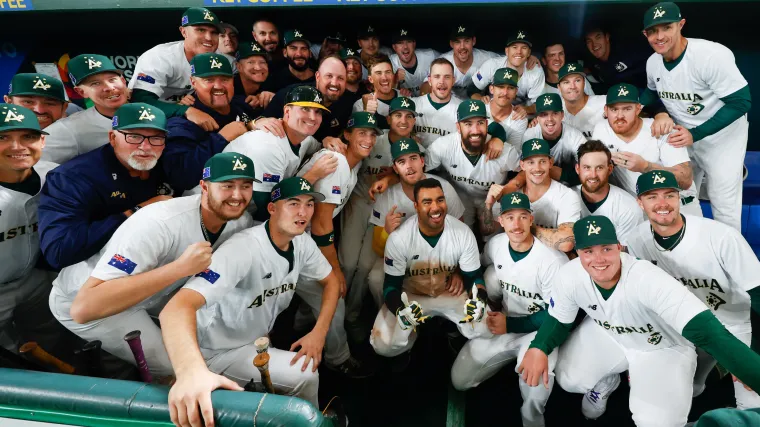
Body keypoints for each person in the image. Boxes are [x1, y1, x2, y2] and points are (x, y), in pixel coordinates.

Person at [518, 215, 760, 426]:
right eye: (588, 251)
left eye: (606, 249)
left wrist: (744, 366)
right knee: (570, 379)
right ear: (578, 252)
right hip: (611, 333)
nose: (598, 259)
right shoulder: (570, 275)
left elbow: (708, 332)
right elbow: (559, 318)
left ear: (619, 247)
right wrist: (539, 346)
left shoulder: (648, 279)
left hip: (661, 347)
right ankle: (609, 379)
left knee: (656, 423)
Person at [48, 152, 255, 376]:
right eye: (227, 185)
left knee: (206, 337)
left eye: (245, 186)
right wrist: (179, 269)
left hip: (152, 294)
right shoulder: (159, 223)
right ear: (204, 187)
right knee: (173, 367)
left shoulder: (239, 221)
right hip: (87, 301)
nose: (237, 195)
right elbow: (83, 308)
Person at [161, 177, 340, 420]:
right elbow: (177, 306)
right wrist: (189, 370)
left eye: (309, 204)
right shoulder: (242, 249)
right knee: (305, 373)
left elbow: (332, 282)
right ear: (272, 208)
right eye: (294, 203)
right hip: (216, 351)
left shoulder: (301, 242)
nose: (303, 212)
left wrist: (319, 333)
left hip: (254, 339)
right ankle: (313, 421)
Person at [626, 170, 760, 409]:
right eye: (652, 197)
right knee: (679, 389)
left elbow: (758, 294)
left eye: (669, 195)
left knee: (752, 401)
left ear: (679, 198)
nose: (662, 203)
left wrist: (751, 358)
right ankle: (700, 382)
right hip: (683, 322)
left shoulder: (720, 237)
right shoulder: (636, 239)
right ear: (640, 202)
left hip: (732, 324)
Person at [451, 192, 567, 427]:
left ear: (531, 219)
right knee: (459, 380)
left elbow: (558, 315)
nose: (516, 224)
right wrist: (456, 273)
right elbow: (475, 267)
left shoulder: (553, 261)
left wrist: (511, 325)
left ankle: (532, 420)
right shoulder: (496, 244)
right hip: (506, 321)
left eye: (523, 216)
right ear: (501, 221)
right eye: (510, 217)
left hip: (539, 332)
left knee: (535, 379)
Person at [642, 1, 751, 231]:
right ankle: (693, 247)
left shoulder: (710, 55)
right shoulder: (653, 62)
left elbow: (741, 102)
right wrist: (635, 108)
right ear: (645, 34)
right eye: (653, 31)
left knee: (724, 204)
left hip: (722, 138)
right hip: (684, 135)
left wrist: (697, 133)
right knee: (683, 198)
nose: (659, 36)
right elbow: (651, 94)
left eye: (667, 27)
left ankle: (730, 254)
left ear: (681, 25)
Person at [293, 112, 381, 377]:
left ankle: (298, 328)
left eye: (373, 134)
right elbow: (321, 224)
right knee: (333, 295)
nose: (368, 139)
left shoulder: (351, 165)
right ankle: (338, 359)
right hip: (293, 237)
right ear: (347, 135)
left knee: (316, 294)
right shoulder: (339, 162)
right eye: (362, 133)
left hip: (300, 236)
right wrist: (335, 269)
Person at [39, 103, 174, 270]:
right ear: (112, 138)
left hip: (156, 262)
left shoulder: (170, 164)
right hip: (91, 273)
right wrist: (135, 212)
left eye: (156, 138)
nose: (145, 147)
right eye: (133, 136)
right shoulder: (72, 178)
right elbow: (58, 251)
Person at [370, 178, 488, 357]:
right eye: (427, 202)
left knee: (486, 327)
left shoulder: (463, 232)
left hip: (449, 292)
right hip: (412, 295)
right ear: (416, 206)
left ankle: (454, 334)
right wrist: (400, 310)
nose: (435, 207)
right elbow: (391, 286)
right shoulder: (399, 238)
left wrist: (480, 299)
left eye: (440, 200)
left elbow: (474, 277)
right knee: (383, 344)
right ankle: (409, 342)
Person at [341, 98, 419, 333]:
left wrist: (391, 178)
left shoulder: (417, 147)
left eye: (408, 116)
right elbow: (350, 149)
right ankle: (334, 309)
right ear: (388, 118)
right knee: (347, 262)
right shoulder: (375, 138)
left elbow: (413, 175)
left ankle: (352, 314)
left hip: (387, 207)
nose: (403, 121)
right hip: (360, 200)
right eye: (398, 115)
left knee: (365, 266)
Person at [365, 138, 466, 316]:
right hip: (402, 257)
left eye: (413, 158)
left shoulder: (442, 188)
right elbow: (378, 249)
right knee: (375, 278)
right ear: (395, 168)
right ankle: (391, 313)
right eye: (402, 162)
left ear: (422, 161)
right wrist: (387, 232)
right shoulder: (387, 196)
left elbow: (461, 232)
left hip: (440, 255)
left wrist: (458, 272)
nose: (409, 166)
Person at [0, 104, 62, 355]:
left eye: (28, 136)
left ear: (42, 141)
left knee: (52, 339)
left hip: (37, 280)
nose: (17, 146)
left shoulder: (55, 176)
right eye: (3, 137)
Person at [223, 85, 335, 220]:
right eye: (305, 109)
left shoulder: (303, 138)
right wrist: (312, 175)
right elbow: (267, 210)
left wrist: (327, 140)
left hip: (245, 214)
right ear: (287, 111)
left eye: (318, 112)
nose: (312, 117)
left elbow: (316, 145)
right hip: (224, 215)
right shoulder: (269, 146)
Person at [592, 83, 701, 216]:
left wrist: (646, 167)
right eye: (614, 109)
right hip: (640, 208)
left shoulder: (662, 129)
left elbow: (685, 180)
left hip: (680, 205)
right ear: (606, 110)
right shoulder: (601, 129)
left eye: (627, 109)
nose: (619, 116)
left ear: (638, 109)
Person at [161, 53, 254, 195]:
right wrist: (221, 139)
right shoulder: (183, 122)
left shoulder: (242, 104)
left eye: (225, 79)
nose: (218, 86)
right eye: (209, 80)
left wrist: (254, 123)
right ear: (193, 82)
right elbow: (180, 176)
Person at [128, 8, 234, 130]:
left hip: (187, 113)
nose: (209, 38)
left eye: (214, 32)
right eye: (201, 30)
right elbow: (140, 101)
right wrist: (184, 110)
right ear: (184, 32)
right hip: (150, 118)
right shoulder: (160, 57)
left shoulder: (222, 59)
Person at [425, 99, 520, 228]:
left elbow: (526, 169)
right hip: (460, 197)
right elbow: (420, 169)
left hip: (493, 198)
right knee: (458, 232)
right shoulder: (444, 145)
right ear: (458, 127)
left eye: (480, 123)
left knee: (489, 232)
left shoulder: (504, 151)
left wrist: (512, 185)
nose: (475, 130)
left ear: (487, 124)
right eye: (468, 124)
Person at [483, 139, 580, 250]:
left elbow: (566, 244)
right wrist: (488, 205)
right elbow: (487, 230)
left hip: (550, 257)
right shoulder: (509, 194)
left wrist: (525, 227)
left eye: (542, 161)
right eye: (531, 162)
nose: (537, 168)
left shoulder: (566, 196)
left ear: (550, 163)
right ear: (522, 165)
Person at [41, 54, 128, 164]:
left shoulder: (148, 110)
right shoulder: (70, 128)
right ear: (81, 92)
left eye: (112, 79)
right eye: (95, 83)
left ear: (123, 81)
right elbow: (38, 162)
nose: (109, 88)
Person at [258, 57, 353, 146]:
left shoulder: (348, 103)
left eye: (340, 78)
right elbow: (259, 123)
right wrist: (255, 123)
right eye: (329, 76)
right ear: (318, 76)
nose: (334, 83)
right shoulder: (292, 95)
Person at [574, 140, 643, 246]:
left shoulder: (628, 207)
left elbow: (627, 251)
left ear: (610, 169)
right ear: (578, 169)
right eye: (587, 167)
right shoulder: (566, 197)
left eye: (599, 168)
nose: (593, 175)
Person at [471, 30, 545, 111]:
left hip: (519, 113)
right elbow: (472, 89)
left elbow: (539, 103)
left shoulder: (536, 71)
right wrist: (480, 99)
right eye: (514, 47)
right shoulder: (492, 65)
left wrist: (526, 110)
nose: (519, 52)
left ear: (529, 52)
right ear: (507, 51)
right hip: (492, 109)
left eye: (524, 48)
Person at [523, 93, 587, 184]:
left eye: (555, 113)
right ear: (537, 118)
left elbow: (588, 173)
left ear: (562, 115)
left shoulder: (575, 137)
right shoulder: (530, 135)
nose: (550, 119)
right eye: (544, 114)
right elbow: (522, 171)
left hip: (569, 185)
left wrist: (563, 175)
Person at [431, 24, 500, 99]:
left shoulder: (488, 58)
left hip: (479, 103)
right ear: (451, 44)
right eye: (457, 42)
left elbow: (505, 60)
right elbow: (428, 85)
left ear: (473, 41)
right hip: (451, 103)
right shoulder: (442, 62)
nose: (462, 47)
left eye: (466, 41)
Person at [583, 21, 651, 93]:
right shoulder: (592, 61)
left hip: (643, 90)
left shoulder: (627, 52)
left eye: (598, 37)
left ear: (607, 37)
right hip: (615, 94)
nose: (594, 45)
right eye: (589, 41)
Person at [411, 58, 463, 148]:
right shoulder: (413, 105)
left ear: (453, 81)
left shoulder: (462, 109)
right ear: (430, 81)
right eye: (437, 76)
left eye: (447, 77)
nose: (442, 82)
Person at [555, 62, 608, 138]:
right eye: (566, 82)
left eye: (577, 81)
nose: (572, 86)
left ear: (584, 83)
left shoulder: (604, 102)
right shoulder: (555, 111)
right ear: (559, 87)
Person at [485, 68, 528, 150]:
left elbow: (512, 152)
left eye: (510, 88)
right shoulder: (479, 108)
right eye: (501, 87)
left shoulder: (520, 119)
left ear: (516, 92)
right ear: (491, 89)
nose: (505, 93)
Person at [389, 28, 439, 96]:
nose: (405, 47)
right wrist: (395, 81)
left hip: (430, 99)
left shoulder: (431, 56)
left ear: (414, 44)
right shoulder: (390, 63)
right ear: (394, 47)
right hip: (406, 101)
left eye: (409, 41)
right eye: (400, 43)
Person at [232, 41, 274, 114]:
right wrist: (244, 101)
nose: (258, 68)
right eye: (251, 62)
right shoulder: (229, 86)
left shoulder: (273, 83)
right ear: (239, 67)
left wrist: (274, 97)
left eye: (262, 62)